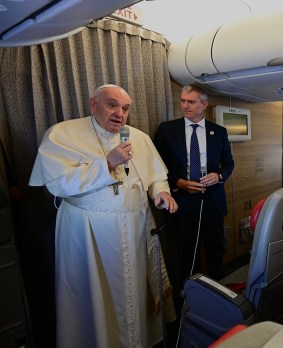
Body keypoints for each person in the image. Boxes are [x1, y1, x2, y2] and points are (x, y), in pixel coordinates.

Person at [29, 84, 178, 347]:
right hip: (88, 234)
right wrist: (107, 163)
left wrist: (161, 193)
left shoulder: (139, 138)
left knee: (134, 293)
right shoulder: (63, 134)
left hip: (135, 229)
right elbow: (58, 185)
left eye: (125, 108)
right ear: (92, 103)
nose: (120, 113)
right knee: (97, 298)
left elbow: (156, 177)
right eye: (112, 105)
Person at [154, 83, 234, 282]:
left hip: (212, 200)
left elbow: (228, 163)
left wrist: (219, 176)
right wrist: (179, 182)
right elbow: (158, 165)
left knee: (216, 248)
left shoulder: (219, 132)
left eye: (191, 101)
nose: (185, 106)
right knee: (188, 251)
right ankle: (190, 294)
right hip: (183, 201)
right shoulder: (167, 130)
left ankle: (219, 289)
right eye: (183, 101)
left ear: (204, 104)